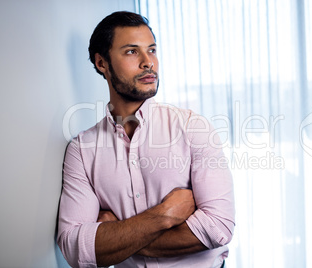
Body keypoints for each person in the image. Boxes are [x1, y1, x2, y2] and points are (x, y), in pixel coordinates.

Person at [57, 11, 235, 268]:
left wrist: (117, 235)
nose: (148, 62)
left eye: (151, 50)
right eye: (131, 51)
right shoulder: (82, 151)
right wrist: (163, 216)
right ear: (102, 63)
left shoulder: (193, 128)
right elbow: (74, 248)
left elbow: (218, 227)